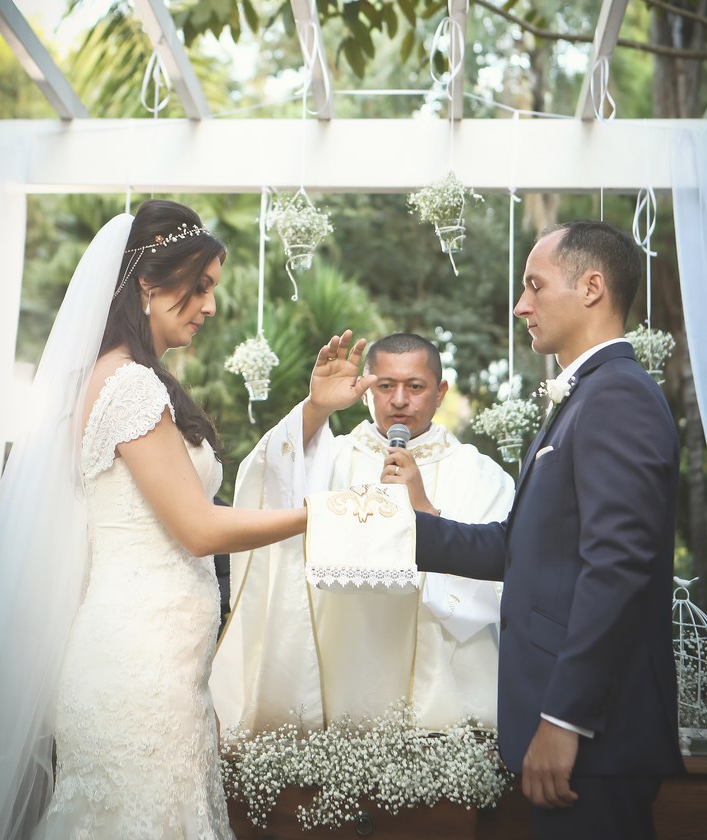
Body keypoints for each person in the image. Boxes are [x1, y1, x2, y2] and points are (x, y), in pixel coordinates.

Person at [0, 199, 307, 840]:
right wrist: (316, 516)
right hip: (137, 668)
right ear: (148, 282)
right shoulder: (129, 385)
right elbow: (199, 529)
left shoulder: (127, 378)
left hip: (158, 662)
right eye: (202, 286)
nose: (210, 306)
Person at [397, 221, 684, 840]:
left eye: (534, 285)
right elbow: (521, 546)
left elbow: (618, 565)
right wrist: (411, 525)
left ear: (591, 287)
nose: (520, 304)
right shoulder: (584, 398)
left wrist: (565, 716)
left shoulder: (616, 398)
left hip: (593, 735)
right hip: (571, 729)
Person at [210, 331, 514, 734]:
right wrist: (317, 408)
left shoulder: (480, 474)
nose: (400, 400)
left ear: (440, 392)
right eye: (385, 386)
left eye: (415, 387)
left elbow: (501, 573)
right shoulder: (333, 458)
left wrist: (424, 511)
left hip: (446, 687)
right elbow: (269, 480)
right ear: (365, 389)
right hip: (345, 672)